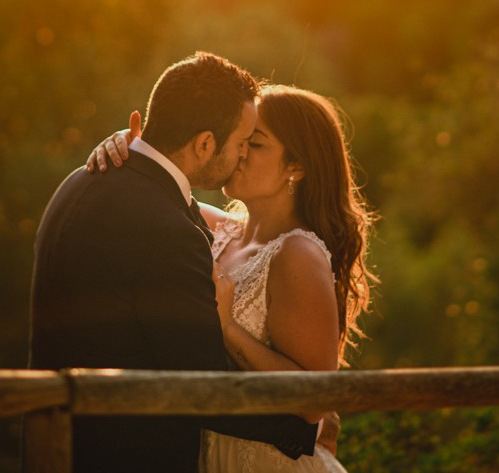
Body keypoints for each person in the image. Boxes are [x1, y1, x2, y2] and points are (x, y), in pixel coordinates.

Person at [28, 52, 318, 473]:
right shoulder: (167, 232)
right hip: (127, 459)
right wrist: (303, 428)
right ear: (204, 143)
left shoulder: (78, 182)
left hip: (50, 450)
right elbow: (201, 388)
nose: (241, 156)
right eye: (241, 143)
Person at [89, 83, 377, 473]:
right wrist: (125, 147)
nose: (238, 153)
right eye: (240, 141)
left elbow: (315, 404)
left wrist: (227, 329)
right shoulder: (218, 227)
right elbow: (161, 182)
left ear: (296, 166)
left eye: (254, 144)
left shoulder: (298, 255)